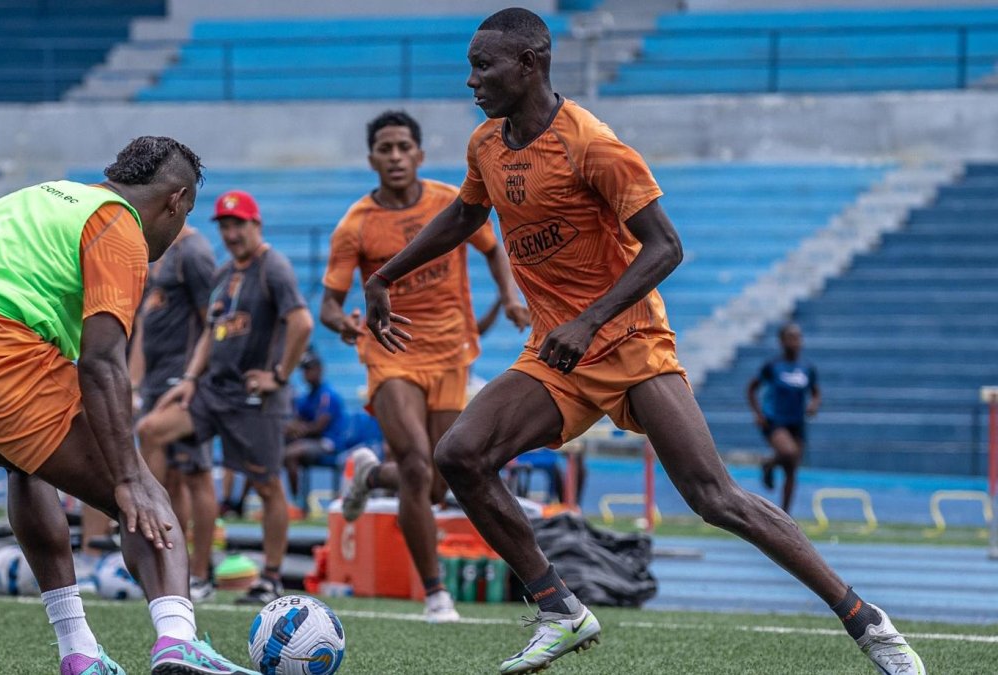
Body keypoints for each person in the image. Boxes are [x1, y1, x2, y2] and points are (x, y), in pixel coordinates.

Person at [362, 9, 924, 675]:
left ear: (530, 65)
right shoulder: (486, 144)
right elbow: (465, 213)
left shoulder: (592, 145)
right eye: (471, 66)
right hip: (557, 355)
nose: (471, 80)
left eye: (484, 66)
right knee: (460, 455)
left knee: (715, 498)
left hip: (628, 340)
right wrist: (386, 275)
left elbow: (666, 246)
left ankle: (868, 622)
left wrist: (589, 320)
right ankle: (560, 609)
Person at [0, 137, 256, 675]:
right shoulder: (118, 226)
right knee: (143, 496)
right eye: (186, 216)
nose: (180, 229)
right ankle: (177, 639)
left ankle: (79, 652)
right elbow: (103, 362)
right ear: (176, 201)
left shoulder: (30, 198)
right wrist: (127, 476)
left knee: (26, 466)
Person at [324, 110, 529, 624]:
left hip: (452, 350)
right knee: (417, 463)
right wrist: (344, 323)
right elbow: (328, 304)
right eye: (385, 149)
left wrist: (509, 296)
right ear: (372, 158)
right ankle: (436, 593)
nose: (395, 157)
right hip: (390, 350)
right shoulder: (355, 225)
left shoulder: (450, 203)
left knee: (440, 478)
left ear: (419, 154)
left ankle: (372, 475)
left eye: (403, 147)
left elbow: (492, 248)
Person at [137, 189, 313, 606]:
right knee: (152, 429)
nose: (231, 234)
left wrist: (278, 376)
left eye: (239, 225)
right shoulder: (224, 273)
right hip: (212, 392)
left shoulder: (274, 267)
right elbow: (209, 332)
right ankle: (169, 553)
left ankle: (271, 577)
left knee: (267, 486)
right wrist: (190, 378)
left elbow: (302, 323)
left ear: (256, 225)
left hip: (253, 400)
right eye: (225, 226)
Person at [130, 222, 220, 600]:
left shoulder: (194, 253)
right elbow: (143, 328)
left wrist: (194, 378)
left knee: (195, 474)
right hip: (155, 382)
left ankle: (199, 573)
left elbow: (212, 324)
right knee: (175, 479)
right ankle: (173, 566)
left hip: (182, 383)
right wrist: (135, 385)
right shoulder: (157, 250)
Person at [748, 322, 820, 514]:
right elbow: (752, 388)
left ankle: (785, 516)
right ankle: (768, 465)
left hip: (797, 422)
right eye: (790, 338)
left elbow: (815, 392)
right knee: (788, 453)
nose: (795, 342)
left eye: (798, 338)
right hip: (775, 420)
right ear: (781, 341)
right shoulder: (773, 366)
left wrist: (814, 404)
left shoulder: (807, 368)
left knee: (792, 469)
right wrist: (758, 413)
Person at [283, 352, 346, 510]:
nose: (306, 374)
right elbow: (297, 421)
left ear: (319, 369)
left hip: (328, 444)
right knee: (276, 449)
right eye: (304, 370)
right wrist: (293, 429)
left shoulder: (327, 394)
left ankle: (297, 504)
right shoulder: (307, 396)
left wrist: (299, 429)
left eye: (310, 369)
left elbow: (319, 427)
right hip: (311, 441)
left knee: (291, 454)